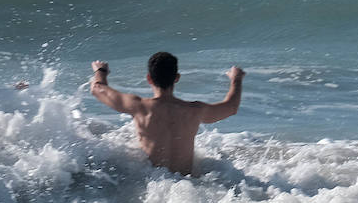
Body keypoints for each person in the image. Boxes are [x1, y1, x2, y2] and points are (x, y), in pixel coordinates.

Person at [88, 52, 243, 174]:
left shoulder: (139, 107)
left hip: (153, 185)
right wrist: (236, 79)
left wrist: (101, 71)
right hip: (187, 185)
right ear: (177, 78)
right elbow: (231, 107)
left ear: (149, 78)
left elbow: (97, 89)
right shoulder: (195, 111)